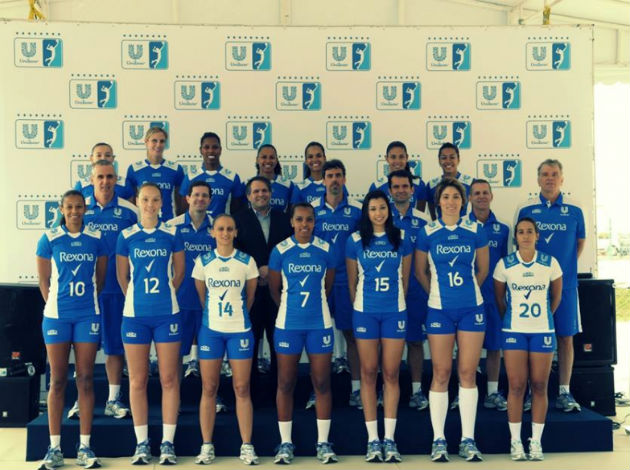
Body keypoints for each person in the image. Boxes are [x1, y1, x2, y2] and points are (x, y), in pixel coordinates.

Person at [415, 178, 489, 462]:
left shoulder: (476, 230)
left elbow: (482, 270)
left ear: (463, 201)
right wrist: (437, 294)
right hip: (439, 310)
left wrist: (466, 294)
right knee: (441, 372)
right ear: (438, 202)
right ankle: (439, 440)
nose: (450, 202)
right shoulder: (428, 232)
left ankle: (468, 439)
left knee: (468, 373)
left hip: (471, 309)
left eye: (455, 197)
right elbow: (420, 272)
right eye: (445, 197)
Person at [36, 190, 107, 469]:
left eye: (79, 207)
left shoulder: (96, 238)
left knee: (86, 379)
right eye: (70, 207)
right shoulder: (49, 238)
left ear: (85, 209)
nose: (75, 211)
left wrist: (83, 305)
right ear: (62, 209)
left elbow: (100, 280)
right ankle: (54, 448)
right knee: (57, 380)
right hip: (57, 316)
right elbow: (44, 281)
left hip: (87, 315)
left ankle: (85, 447)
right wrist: (56, 306)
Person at [116, 182, 185, 465]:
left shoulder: (172, 233)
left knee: (169, 379)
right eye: (145, 199)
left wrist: (165, 296)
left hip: (167, 315)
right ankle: (142, 443)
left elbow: (179, 273)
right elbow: (122, 278)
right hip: (135, 316)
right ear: (137, 201)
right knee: (137, 380)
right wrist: (137, 300)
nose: (150, 205)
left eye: (155, 200)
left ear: (161, 203)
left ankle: (168, 443)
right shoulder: (126, 236)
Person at [268, 203, 338, 464]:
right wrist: (292, 309)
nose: (304, 224)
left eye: (309, 219)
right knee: (285, 383)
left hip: (319, 325)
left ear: (314, 221)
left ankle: (323, 442)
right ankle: (285, 442)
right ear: (292, 222)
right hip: (288, 325)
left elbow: (328, 286)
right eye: (299, 219)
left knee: (322, 382)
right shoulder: (280, 251)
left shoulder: (326, 249)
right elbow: (274, 289)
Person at [514, 159, 586, 412]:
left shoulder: (575, 209)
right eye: (545, 174)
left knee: (565, 338)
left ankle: (565, 392)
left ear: (562, 178)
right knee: (532, 339)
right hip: (532, 287)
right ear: (538, 179)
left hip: (565, 286)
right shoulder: (526, 208)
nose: (550, 178)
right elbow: (519, 244)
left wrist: (561, 271)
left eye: (554, 174)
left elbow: (579, 243)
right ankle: (531, 393)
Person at [346, 190, 413, 463]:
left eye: (382, 207)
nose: (378, 213)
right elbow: (352, 283)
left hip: (394, 312)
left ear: (389, 210)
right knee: (368, 372)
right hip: (365, 314)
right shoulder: (355, 240)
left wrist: (394, 305)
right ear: (367, 212)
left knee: (391, 373)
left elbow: (405, 281)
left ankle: (390, 438)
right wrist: (363, 307)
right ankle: (373, 438)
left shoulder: (402, 237)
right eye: (373, 208)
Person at [69, 160, 137, 421]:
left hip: (116, 291)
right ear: (91, 179)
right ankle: (79, 400)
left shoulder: (129, 211)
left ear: (116, 179)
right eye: (100, 177)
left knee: (114, 347)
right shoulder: (81, 209)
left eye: (110, 177)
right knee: (83, 349)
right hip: (85, 295)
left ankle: (112, 399)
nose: (105, 182)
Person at [192, 214, 260, 465]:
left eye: (229, 229)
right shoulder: (203, 262)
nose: (225, 233)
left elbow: (250, 298)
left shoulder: (247, 262)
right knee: (209, 387)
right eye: (220, 229)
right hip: (211, 331)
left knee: (242, 388)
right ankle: (206, 445)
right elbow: (202, 298)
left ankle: (247, 445)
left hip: (239, 330)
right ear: (212, 232)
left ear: (235, 232)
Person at [494, 217, 563, 461]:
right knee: (516, 386)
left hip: (542, 330)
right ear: (516, 237)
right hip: (514, 331)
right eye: (521, 232)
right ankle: (515, 441)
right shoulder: (504, 265)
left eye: (530, 231)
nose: (525, 235)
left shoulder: (550, 263)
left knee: (540, 385)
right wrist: (513, 320)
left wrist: (544, 318)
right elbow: (500, 299)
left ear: (537, 236)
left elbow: (556, 296)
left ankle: (536, 441)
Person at [311, 160, 363, 405]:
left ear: (344, 178)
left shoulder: (357, 210)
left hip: (346, 282)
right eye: (330, 175)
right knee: (316, 338)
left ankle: (357, 389)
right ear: (323, 180)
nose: (334, 180)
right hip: (318, 283)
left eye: (338, 175)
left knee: (352, 335)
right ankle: (317, 390)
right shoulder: (312, 209)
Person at [234, 177, 293, 377]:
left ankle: (280, 387)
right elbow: (235, 253)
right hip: (251, 291)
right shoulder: (238, 220)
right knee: (249, 343)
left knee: (280, 343)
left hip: (279, 291)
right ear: (248, 196)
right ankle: (250, 389)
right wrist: (255, 272)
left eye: (264, 190)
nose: (261, 194)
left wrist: (273, 270)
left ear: (271, 193)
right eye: (256, 191)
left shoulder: (284, 219)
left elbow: (290, 251)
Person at [387, 170, 431, 411]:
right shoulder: (382, 217)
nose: (401, 190)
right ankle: (386, 390)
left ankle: (416, 391)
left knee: (414, 342)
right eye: (396, 187)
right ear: (390, 190)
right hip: (387, 294)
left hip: (415, 292)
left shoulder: (423, 220)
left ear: (412, 190)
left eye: (405, 186)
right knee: (386, 344)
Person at [466, 179, 510, 411]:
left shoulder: (503, 229)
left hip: (493, 297)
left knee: (494, 346)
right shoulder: (461, 227)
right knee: (466, 349)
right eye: (476, 193)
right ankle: (465, 391)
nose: (481, 196)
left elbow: (506, 265)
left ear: (492, 196)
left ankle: (492, 393)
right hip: (467, 298)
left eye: (485, 192)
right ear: (470, 198)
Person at [168, 181, 216, 378]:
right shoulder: (172, 226)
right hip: (180, 301)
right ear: (187, 198)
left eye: (204, 195)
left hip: (210, 302)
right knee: (175, 356)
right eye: (196, 195)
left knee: (211, 356)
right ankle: (175, 395)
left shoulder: (218, 227)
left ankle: (212, 394)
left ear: (210, 200)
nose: (200, 199)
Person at [125, 127, 185, 220]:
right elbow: (132, 202)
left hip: (168, 222)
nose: (158, 145)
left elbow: (180, 203)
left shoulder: (176, 169)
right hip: (144, 222)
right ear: (146, 142)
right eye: (154, 141)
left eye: (162, 141)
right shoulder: (134, 169)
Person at [179, 132, 245, 216]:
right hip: (197, 224)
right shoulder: (190, 177)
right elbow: (183, 210)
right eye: (206, 147)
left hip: (222, 224)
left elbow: (237, 211)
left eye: (215, 147)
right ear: (201, 150)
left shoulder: (232, 177)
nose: (211, 151)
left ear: (220, 150)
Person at [367, 141, 426, 212]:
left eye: (401, 157)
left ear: (407, 157)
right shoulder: (376, 187)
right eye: (393, 157)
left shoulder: (419, 185)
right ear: (387, 158)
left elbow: (420, 215)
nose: (397, 161)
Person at [425, 143, 473, 220]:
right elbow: (433, 215)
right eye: (444, 158)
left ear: (458, 159)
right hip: (441, 227)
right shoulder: (431, 185)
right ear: (439, 161)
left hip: (464, 226)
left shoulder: (471, 183)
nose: (448, 161)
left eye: (452, 157)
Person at [254, 144, 296, 212]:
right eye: (264, 157)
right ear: (257, 160)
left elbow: (292, 212)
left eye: (272, 157)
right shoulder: (248, 184)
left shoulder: (288, 185)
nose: (268, 161)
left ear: (276, 160)